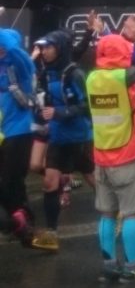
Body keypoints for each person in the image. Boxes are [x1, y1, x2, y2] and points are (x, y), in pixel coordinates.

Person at [87, 34, 135, 280]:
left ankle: (109, 266)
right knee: (131, 214)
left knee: (106, 214)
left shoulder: (92, 78)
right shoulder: (125, 79)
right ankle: (131, 267)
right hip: (128, 156)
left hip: (101, 158)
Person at [31, 31, 94, 252]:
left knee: (92, 177)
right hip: (58, 135)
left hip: (78, 135)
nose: (44, 51)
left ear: (59, 48)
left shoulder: (74, 73)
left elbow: (87, 106)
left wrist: (58, 112)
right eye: (43, 48)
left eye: (48, 47)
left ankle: (115, 214)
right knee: (49, 182)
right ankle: (52, 234)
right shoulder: (47, 72)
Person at [0, 28, 39, 246]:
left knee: (11, 181)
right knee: (12, 183)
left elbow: (15, 50)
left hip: (19, 131)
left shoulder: (22, 67)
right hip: (2, 132)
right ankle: (22, 218)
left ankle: (21, 224)